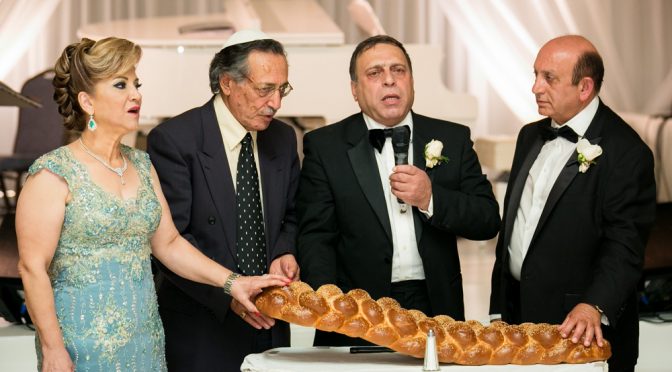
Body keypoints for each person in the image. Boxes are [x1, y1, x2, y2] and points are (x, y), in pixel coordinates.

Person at [15, 37, 290, 372]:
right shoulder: (52, 174)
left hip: (144, 341)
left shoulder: (142, 166)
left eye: (136, 83)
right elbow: (32, 268)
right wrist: (53, 347)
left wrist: (233, 282)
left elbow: (169, 243)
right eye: (121, 85)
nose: (136, 94)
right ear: (86, 101)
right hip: (81, 344)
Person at [297, 35, 501, 346]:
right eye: (375, 73)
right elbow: (316, 236)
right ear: (355, 89)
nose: (390, 80)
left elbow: (487, 220)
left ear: (412, 81)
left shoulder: (453, 138)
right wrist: (332, 307)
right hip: (358, 310)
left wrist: (431, 198)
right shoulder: (325, 146)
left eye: (398, 70)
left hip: (436, 308)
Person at [489, 35, 656, 372]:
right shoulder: (528, 136)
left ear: (585, 88)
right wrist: (499, 309)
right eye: (535, 75)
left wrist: (593, 305)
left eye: (548, 78)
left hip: (579, 329)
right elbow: (514, 230)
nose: (535, 87)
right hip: (517, 321)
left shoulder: (627, 152)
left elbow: (625, 246)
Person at [146, 30, 300, 371]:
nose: (276, 103)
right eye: (265, 90)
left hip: (269, 324)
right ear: (227, 83)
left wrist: (283, 252)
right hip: (203, 324)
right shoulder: (175, 141)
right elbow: (171, 241)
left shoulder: (284, 138)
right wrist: (228, 293)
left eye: (282, 89)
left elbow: (290, 214)